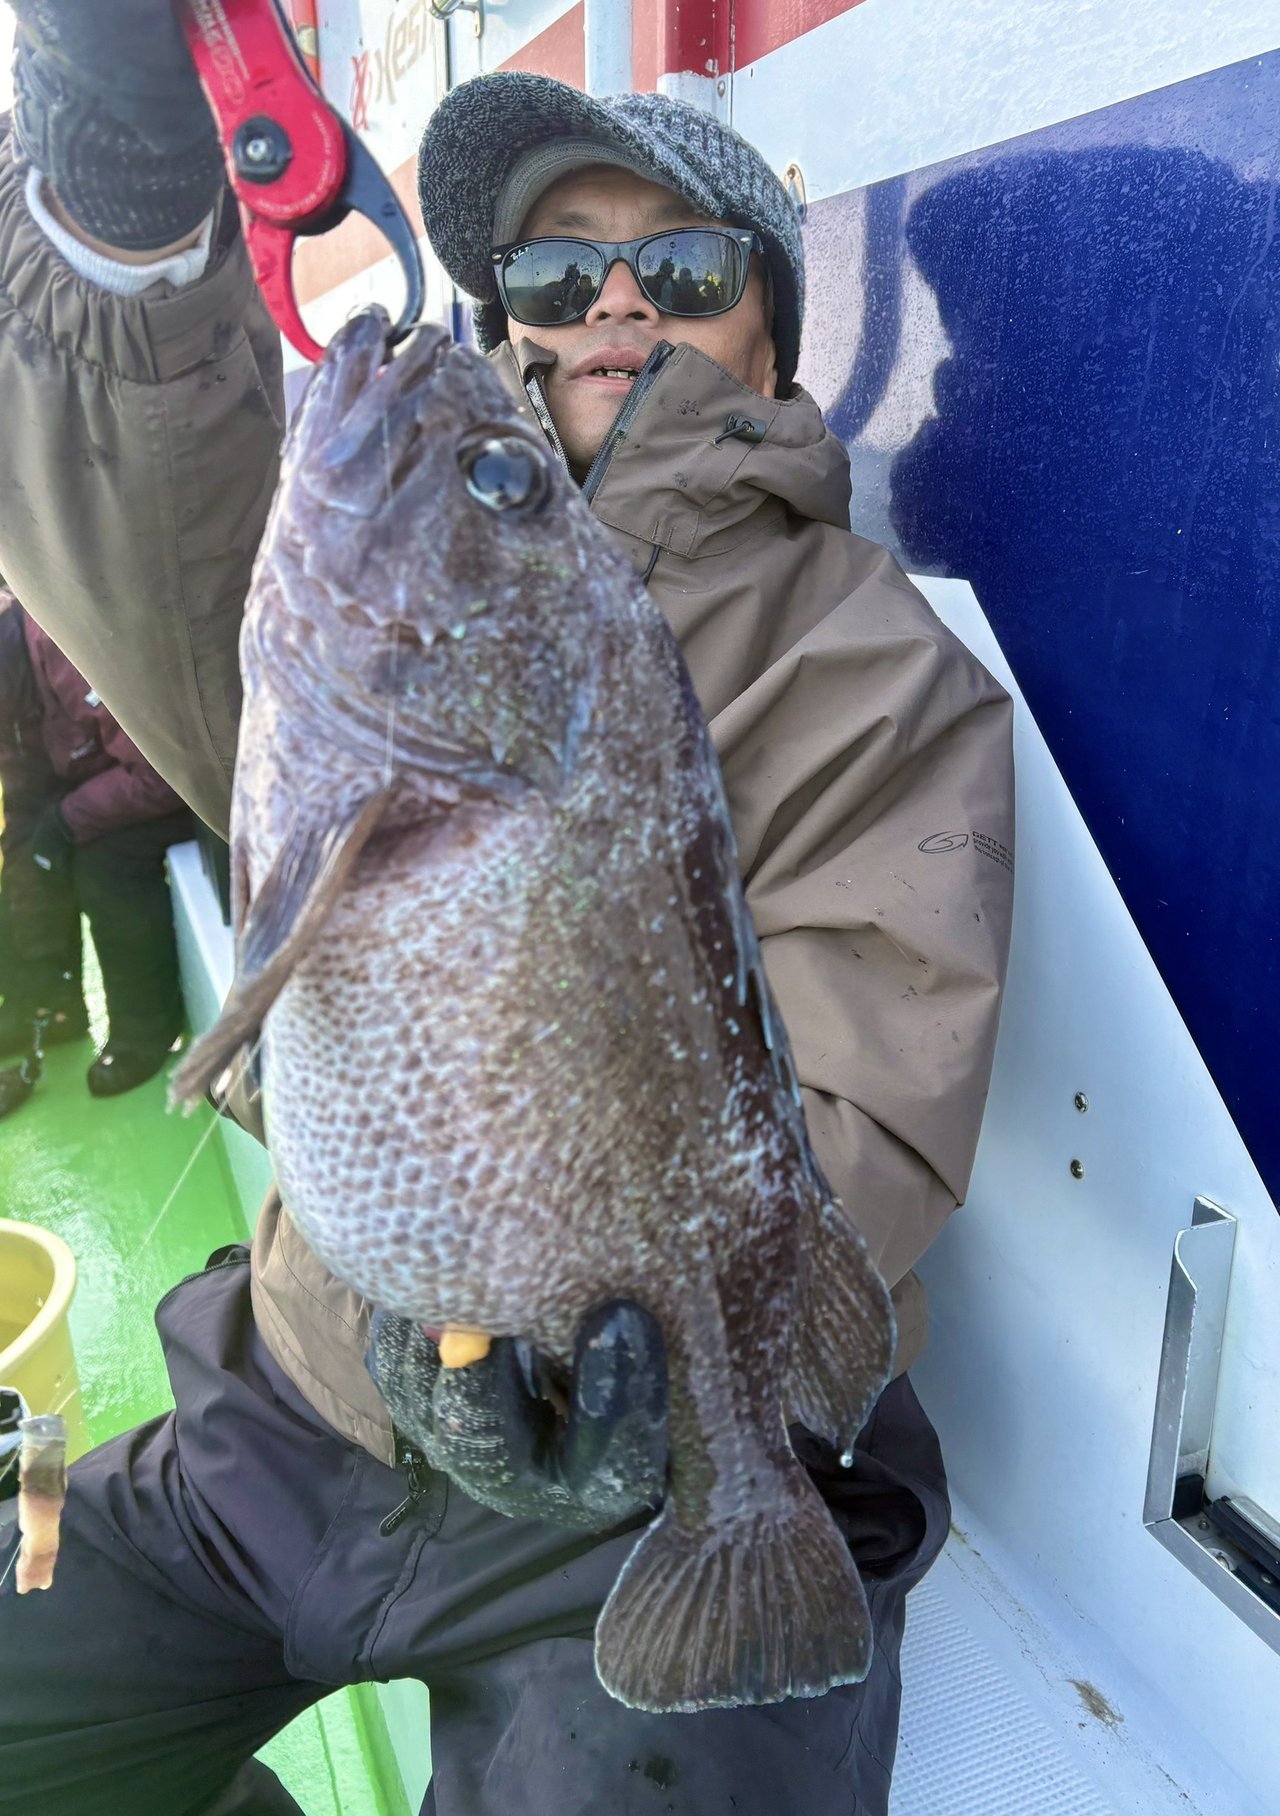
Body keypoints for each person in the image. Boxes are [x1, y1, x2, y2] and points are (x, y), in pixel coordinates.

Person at [0, 9, 1014, 1815]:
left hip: (634, 1481)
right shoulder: (370, 591)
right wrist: (131, 191)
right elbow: (138, 505)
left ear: (767, 325)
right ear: (515, 321)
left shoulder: (883, 672)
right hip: (293, 1401)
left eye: (679, 266)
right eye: (553, 268)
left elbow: (866, 1113)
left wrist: (608, 1376)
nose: (613, 301)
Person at [0, 585, 193, 1107]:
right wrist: (33, 857)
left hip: (184, 776)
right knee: (23, 853)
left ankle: (145, 1031)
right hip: (104, 770)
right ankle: (43, 1004)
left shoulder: (69, 646)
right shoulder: (11, 675)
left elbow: (162, 773)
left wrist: (66, 820)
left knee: (104, 862)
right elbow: (25, 792)